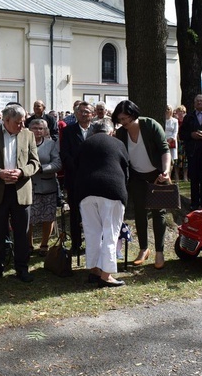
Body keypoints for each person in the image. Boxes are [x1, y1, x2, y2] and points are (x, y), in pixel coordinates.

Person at [0, 104, 40, 283]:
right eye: (18, 123)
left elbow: (35, 163)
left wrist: (21, 172)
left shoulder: (28, 135)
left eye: (23, 122)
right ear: (5, 121)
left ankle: (22, 269)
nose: (21, 125)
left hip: (20, 190)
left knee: (22, 232)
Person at [113, 100, 171, 269]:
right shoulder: (121, 133)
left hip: (156, 175)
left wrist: (165, 171)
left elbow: (164, 149)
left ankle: (159, 252)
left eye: (125, 118)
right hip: (137, 177)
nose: (123, 122)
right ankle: (143, 249)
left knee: (158, 212)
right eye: (120, 119)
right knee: (140, 211)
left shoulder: (150, 125)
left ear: (133, 114)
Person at [74, 119, 129, 287]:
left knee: (92, 233)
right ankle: (106, 276)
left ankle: (94, 270)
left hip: (86, 191)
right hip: (111, 190)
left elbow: (75, 167)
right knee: (110, 233)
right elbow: (126, 170)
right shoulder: (118, 143)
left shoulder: (84, 144)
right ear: (111, 131)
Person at [60, 101, 94, 253]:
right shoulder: (68, 131)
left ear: (92, 114)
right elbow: (65, 154)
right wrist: (78, 169)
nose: (83, 114)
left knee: (93, 212)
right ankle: (76, 244)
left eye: (86, 111)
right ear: (76, 113)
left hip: (94, 179)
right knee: (75, 213)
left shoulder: (97, 130)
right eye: (80, 111)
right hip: (74, 178)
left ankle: (93, 244)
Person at [28, 119, 62, 255]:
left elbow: (58, 164)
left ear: (45, 130)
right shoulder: (22, 144)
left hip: (47, 186)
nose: (37, 131)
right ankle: (28, 245)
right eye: (34, 128)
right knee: (28, 217)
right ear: (29, 129)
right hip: (28, 186)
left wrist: (42, 168)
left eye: (41, 128)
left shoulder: (51, 144)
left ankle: (44, 244)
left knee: (48, 216)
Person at [164, 105, 179, 179]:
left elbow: (175, 132)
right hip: (163, 140)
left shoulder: (175, 121)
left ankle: (169, 176)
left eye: (168, 109)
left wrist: (171, 139)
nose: (167, 110)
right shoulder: (162, 120)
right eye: (166, 109)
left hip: (172, 141)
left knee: (171, 160)